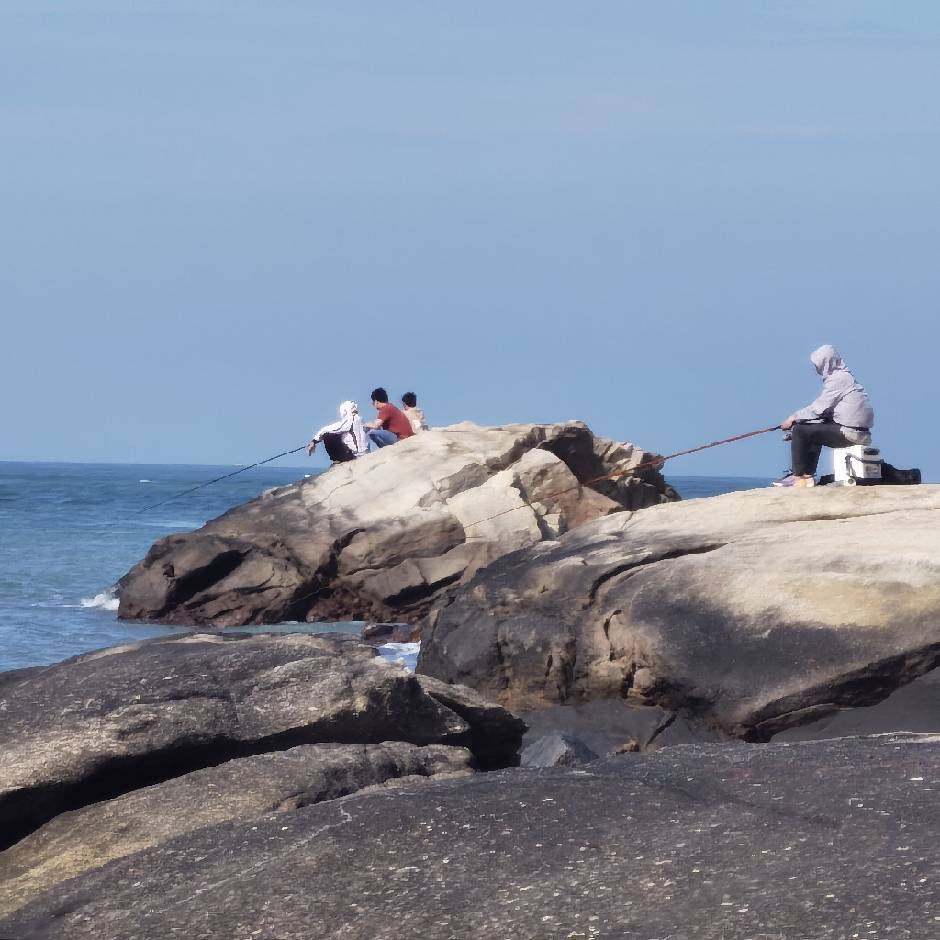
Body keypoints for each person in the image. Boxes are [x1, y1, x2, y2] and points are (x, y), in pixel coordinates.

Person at [774, 345, 875, 488]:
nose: (815, 368)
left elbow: (818, 408)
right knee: (812, 428)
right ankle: (807, 476)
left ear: (826, 362)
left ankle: (797, 476)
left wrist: (793, 418)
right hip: (856, 432)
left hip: (850, 433)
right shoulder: (844, 377)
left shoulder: (838, 380)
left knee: (800, 431)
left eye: (817, 364)